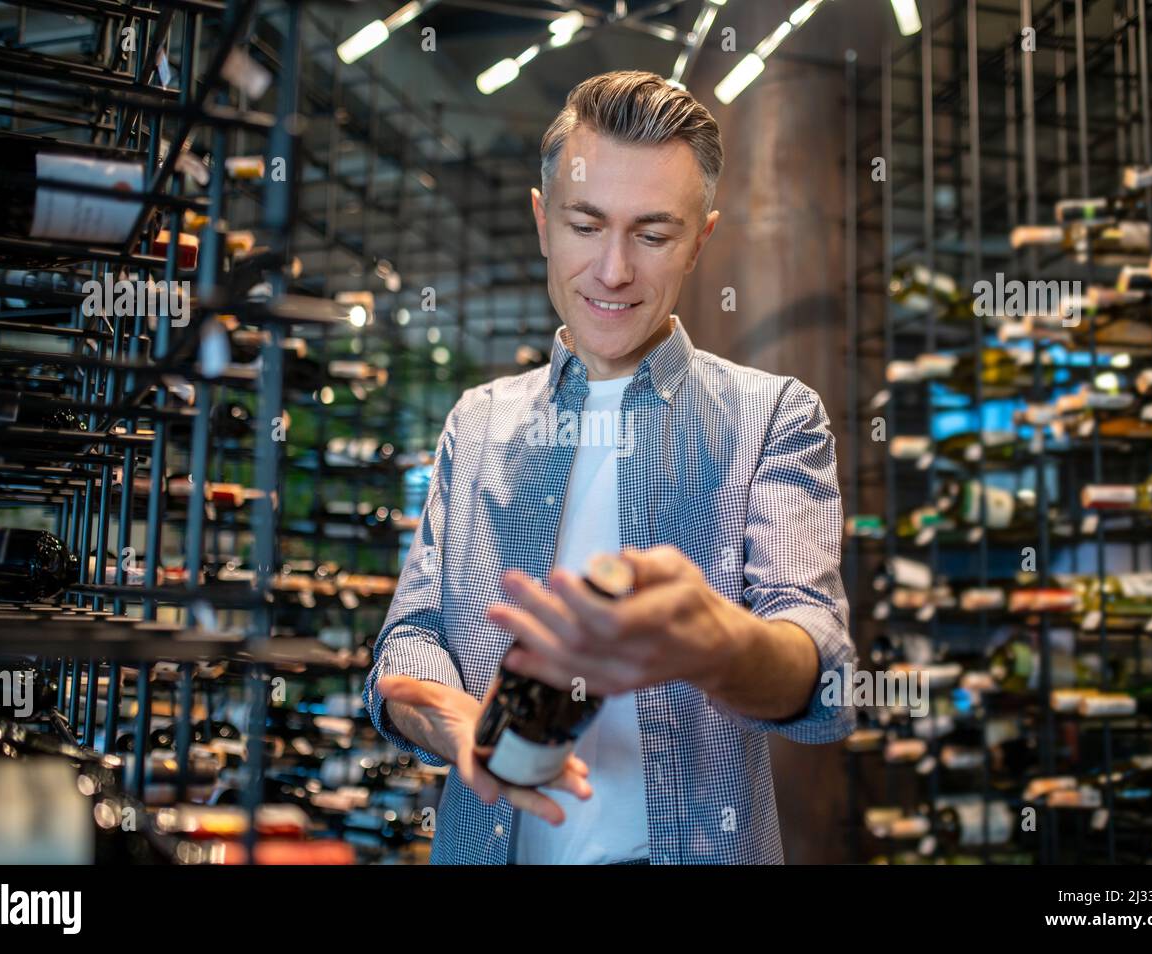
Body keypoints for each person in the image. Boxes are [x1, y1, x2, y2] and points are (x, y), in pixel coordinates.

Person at [364, 69, 855, 865]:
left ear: (701, 239)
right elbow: (411, 638)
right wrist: (451, 719)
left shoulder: (776, 416)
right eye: (586, 226)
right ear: (542, 222)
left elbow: (820, 670)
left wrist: (716, 643)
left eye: (653, 235)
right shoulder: (478, 423)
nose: (615, 270)